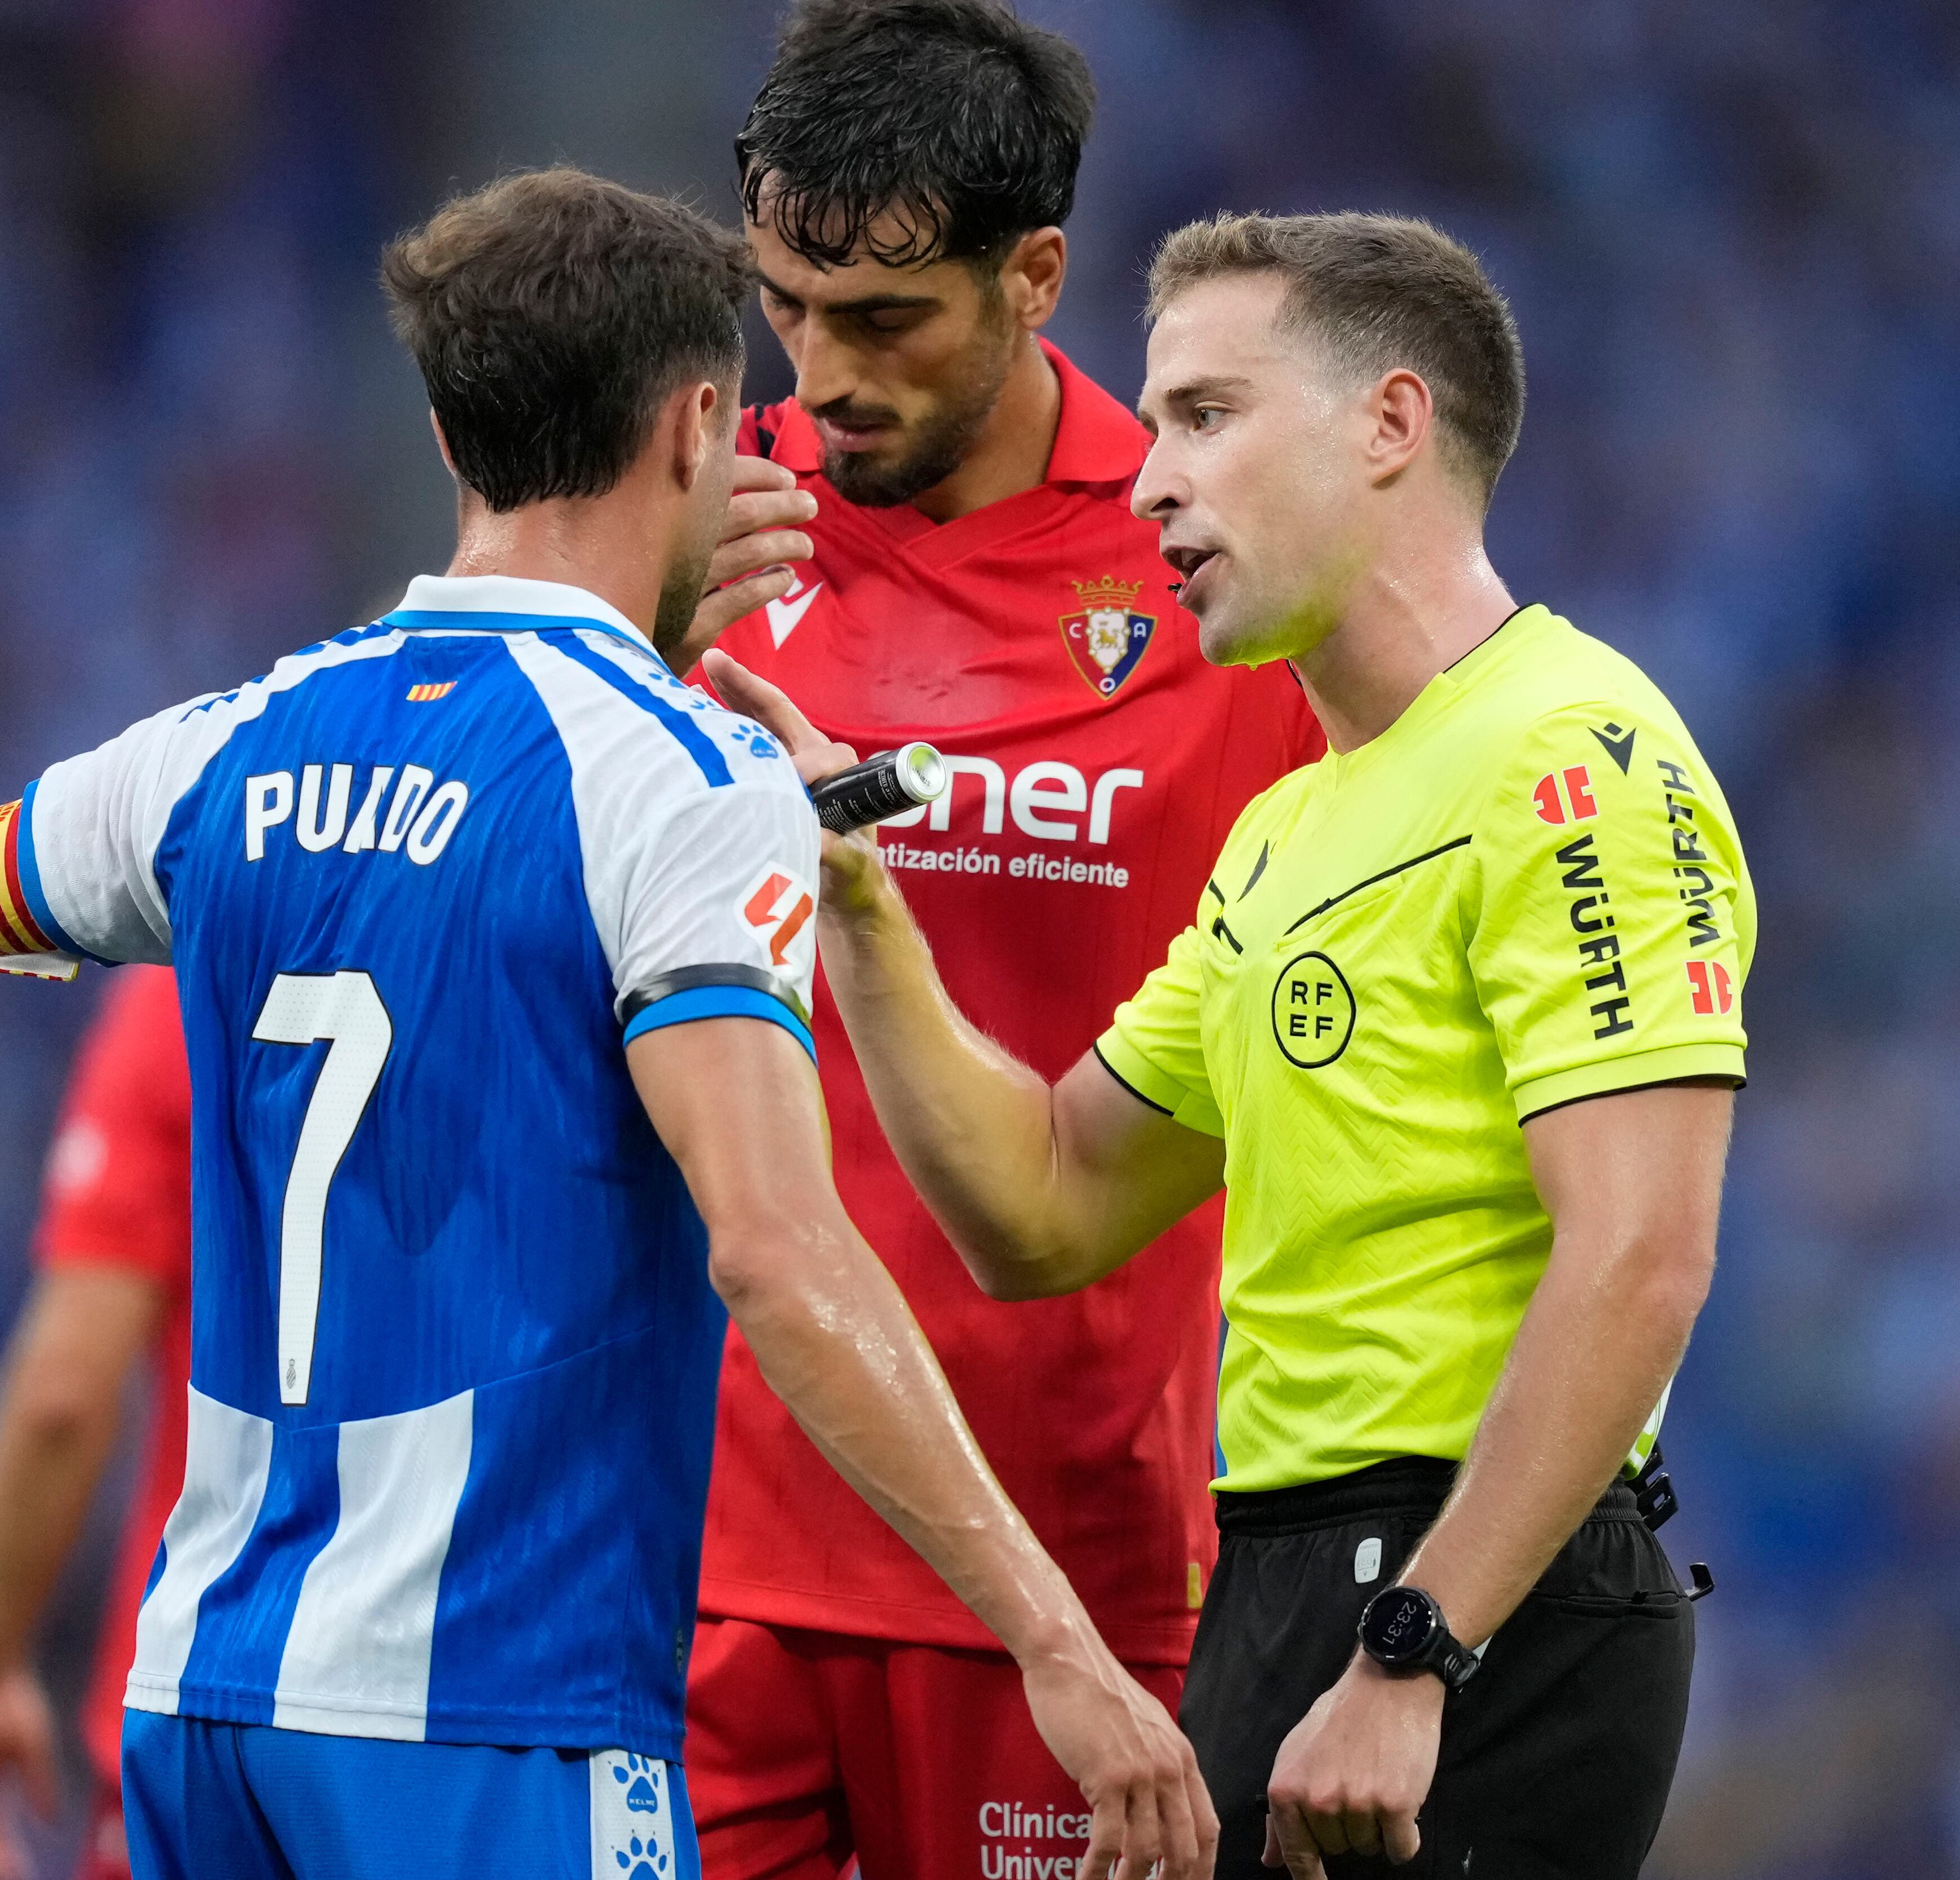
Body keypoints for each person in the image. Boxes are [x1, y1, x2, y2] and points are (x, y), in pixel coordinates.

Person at [0, 168, 1211, 1880]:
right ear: (693, 432)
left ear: (445, 434)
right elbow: (779, 1255)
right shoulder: (683, 780)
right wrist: (1049, 1630)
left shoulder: (234, 745)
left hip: (208, 1708)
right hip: (496, 1721)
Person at [708, 210, 1753, 1879]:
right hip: (1271, 1580)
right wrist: (854, 885)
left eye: (1205, 415)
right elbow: (1042, 1204)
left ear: (1391, 425)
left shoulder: (1576, 752)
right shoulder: (1291, 825)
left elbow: (1641, 1256)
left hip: (1471, 1597)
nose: (1146, 482)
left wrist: (1421, 1645)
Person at [680, 8, 1319, 1878]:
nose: (821, 372)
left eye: (887, 322)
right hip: (705, 1549)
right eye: (786, 306)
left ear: (1038, 275)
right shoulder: (698, 537)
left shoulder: (1213, 580)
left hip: (1078, 1575)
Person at [0, 966, 193, 1880]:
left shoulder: (185, 976)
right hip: (527, 1728)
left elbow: (63, 1392)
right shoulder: (572, 919)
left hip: (209, 1718)